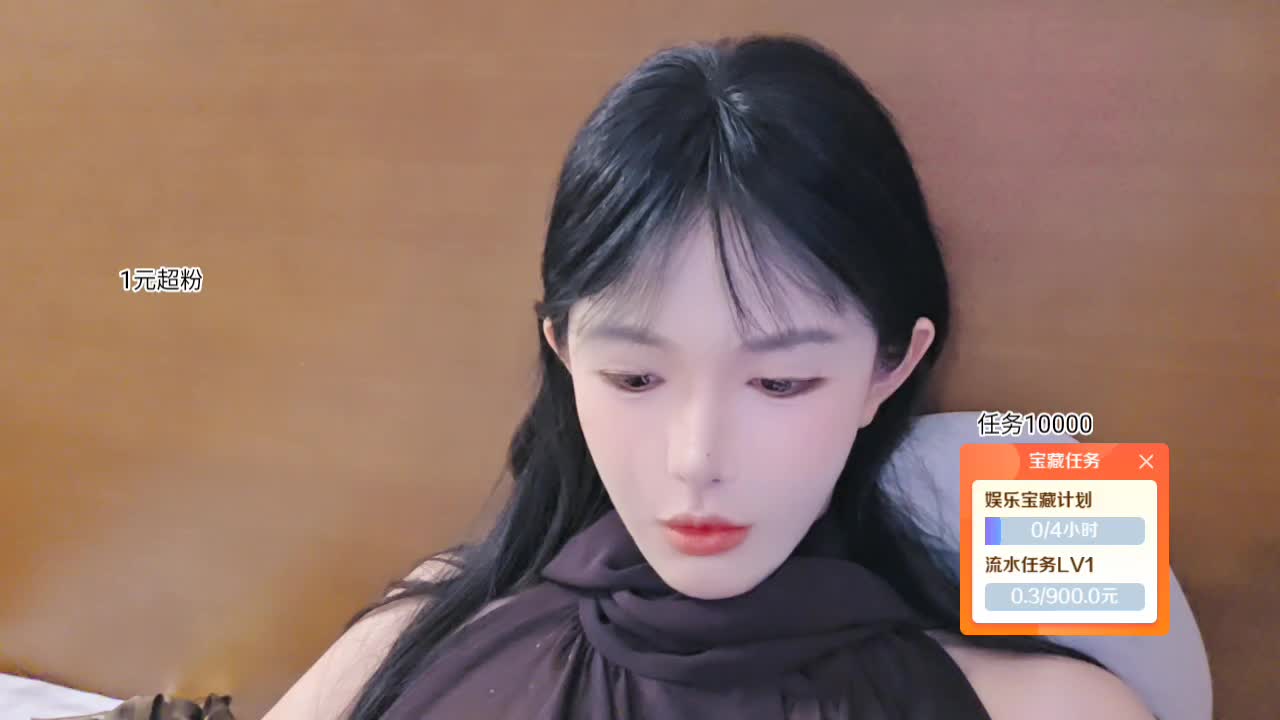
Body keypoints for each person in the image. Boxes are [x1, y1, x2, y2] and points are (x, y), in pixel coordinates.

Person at [263, 34, 1154, 719]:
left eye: (780, 383)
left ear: (892, 366)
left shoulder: (1050, 708)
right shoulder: (415, 636)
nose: (695, 460)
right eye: (634, 378)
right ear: (565, 353)